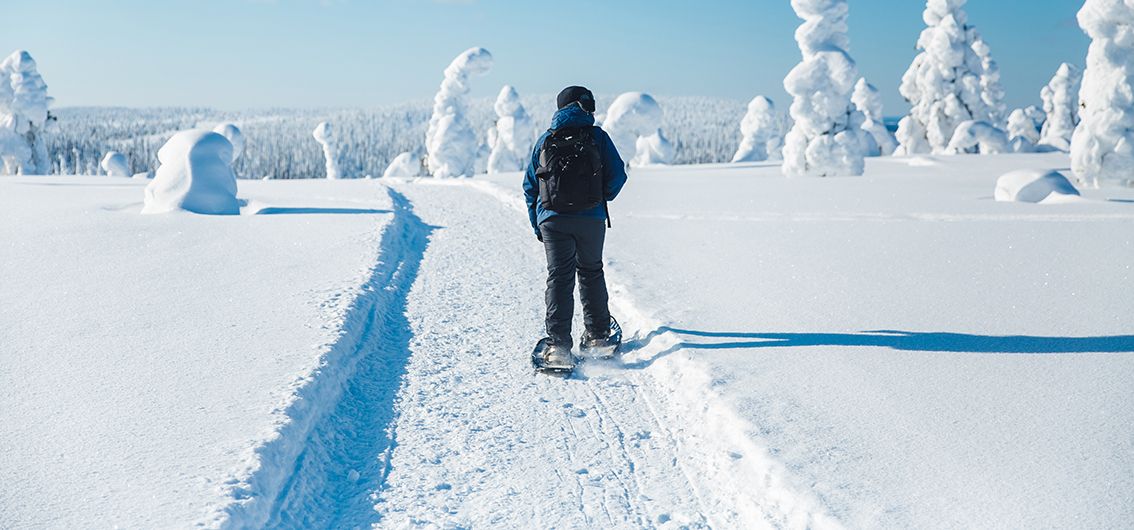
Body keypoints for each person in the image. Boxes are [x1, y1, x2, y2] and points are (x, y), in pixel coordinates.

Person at [523, 86, 628, 369]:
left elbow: (530, 186)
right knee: (591, 271)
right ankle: (599, 339)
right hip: (591, 219)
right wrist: (597, 197)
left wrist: (539, 224)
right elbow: (618, 175)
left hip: (553, 220)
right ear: (584, 105)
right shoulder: (598, 137)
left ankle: (558, 348)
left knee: (559, 277)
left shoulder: (546, 139)